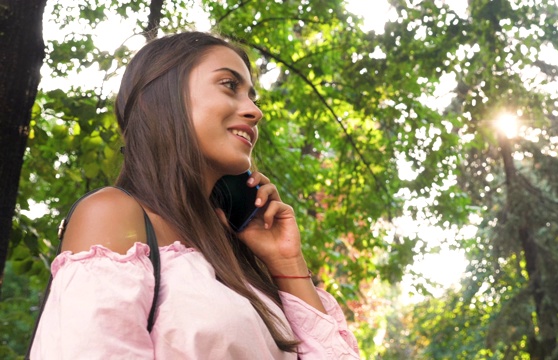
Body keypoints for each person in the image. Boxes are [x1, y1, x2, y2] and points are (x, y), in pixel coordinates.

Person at [29, 31, 360, 359]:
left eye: (253, 98)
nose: (255, 112)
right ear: (158, 97)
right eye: (229, 85)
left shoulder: (237, 262)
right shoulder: (112, 216)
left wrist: (286, 262)